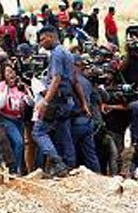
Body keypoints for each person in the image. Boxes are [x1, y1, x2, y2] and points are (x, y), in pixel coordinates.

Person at [33, 25, 86, 175]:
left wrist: (45, 102)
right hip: (67, 100)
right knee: (64, 132)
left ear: (51, 37)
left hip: (56, 100)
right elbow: (75, 80)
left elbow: (56, 79)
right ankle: (69, 165)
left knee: (38, 132)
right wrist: (83, 103)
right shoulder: (68, 53)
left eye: (43, 39)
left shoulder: (56, 54)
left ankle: (58, 163)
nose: (41, 43)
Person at [0, 62, 30, 174]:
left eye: (12, 71)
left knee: (20, 144)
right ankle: (14, 170)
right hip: (6, 119)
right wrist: (6, 87)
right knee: (19, 142)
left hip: (20, 119)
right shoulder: (1, 87)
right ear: (3, 75)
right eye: (8, 72)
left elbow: (30, 102)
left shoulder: (20, 85)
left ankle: (22, 169)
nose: (11, 74)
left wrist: (26, 92)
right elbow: (1, 104)